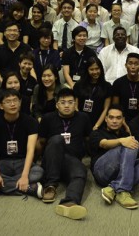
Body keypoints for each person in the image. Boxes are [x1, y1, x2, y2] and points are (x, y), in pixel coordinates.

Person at [0, 89, 44, 198]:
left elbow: (31, 150)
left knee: (39, 171)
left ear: (20, 102)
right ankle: (29, 188)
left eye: (15, 100)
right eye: (8, 101)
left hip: (22, 162)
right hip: (2, 163)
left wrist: (25, 176)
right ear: (1, 106)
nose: (12, 104)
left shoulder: (30, 121)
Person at [89, 104, 139, 210]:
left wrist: (125, 138)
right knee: (130, 142)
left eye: (118, 118)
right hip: (102, 172)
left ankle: (114, 187)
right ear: (106, 119)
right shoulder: (97, 132)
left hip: (120, 172)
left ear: (123, 120)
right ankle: (123, 189)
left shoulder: (125, 134)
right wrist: (121, 141)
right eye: (111, 117)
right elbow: (104, 144)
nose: (114, 121)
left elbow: (130, 160)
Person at [38, 88, 92, 219]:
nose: (67, 105)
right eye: (63, 102)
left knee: (81, 173)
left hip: (71, 160)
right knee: (57, 139)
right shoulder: (47, 118)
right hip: (51, 158)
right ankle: (50, 185)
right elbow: (42, 142)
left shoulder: (83, 118)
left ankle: (70, 202)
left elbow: (88, 139)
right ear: (57, 105)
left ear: (75, 104)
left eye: (70, 102)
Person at [112, 53, 139, 122]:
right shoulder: (118, 83)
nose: (133, 66)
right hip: (122, 120)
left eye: (136, 64)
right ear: (125, 65)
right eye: (130, 63)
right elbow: (115, 106)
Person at [0, 21, 33, 85]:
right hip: (3, 81)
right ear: (4, 33)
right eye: (9, 30)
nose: (12, 33)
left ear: (19, 34)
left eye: (15, 30)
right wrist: (3, 82)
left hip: (22, 82)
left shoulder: (26, 48)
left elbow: (31, 67)